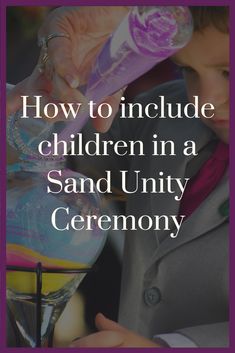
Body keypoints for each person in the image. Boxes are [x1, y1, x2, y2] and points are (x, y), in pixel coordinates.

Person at [7, 6, 229, 348]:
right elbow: (50, 149)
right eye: (188, 70)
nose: (206, 100)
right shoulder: (164, 113)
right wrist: (71, 84)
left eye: (228, 72)